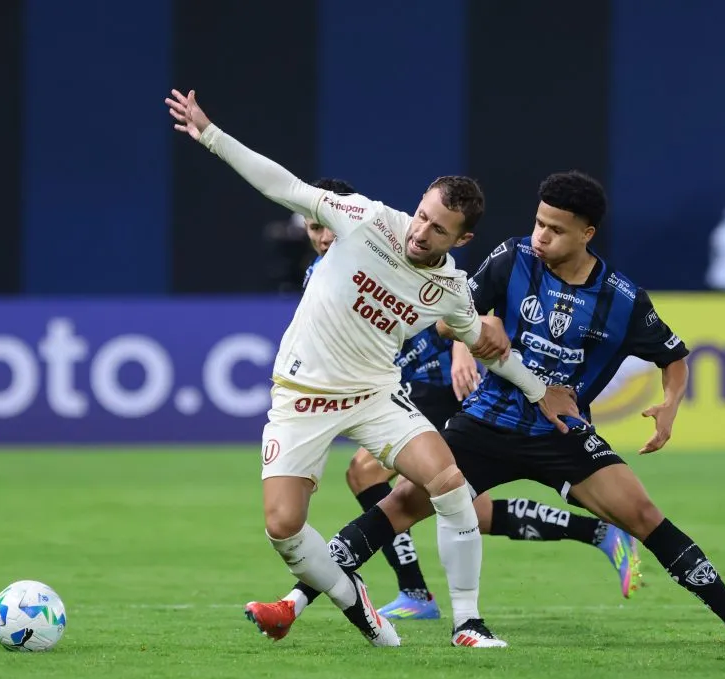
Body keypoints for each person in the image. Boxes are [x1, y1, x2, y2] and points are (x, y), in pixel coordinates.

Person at [259, 170, 725, 649]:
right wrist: (468, 346)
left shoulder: (623, 298)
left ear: (587, 233)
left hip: (561, 432)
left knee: (644, 515)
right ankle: (294, 602)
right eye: (539, 223)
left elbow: (674, 357)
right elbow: (454, 313)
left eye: (556, 230)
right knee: (399, 504)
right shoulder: (512, 257)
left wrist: (671, 406)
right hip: (487, 422)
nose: (541, 237)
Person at [165, 89, 581, 648]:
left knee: (449, 482)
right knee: (282, 526)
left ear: (462, 239)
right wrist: (210, 134)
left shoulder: (451, 290)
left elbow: (489, 346)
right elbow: (282, 185)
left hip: (373, 395)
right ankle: (353, 602)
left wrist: (539, 391)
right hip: (301, 395)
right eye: (423, 215)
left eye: (438, 230)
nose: (420, 232)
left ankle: (467, 623)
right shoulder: (368, 220)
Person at [254, 179, 641, 635]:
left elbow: (474, 317)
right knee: (458, 505)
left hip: (443, 386)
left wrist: (469, 341)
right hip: (393, 385)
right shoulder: (328, 267)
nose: (322, 236)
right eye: (312, 227)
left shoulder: (382, 240)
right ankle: (592, 534)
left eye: (325, 224)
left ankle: (415, 595)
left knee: (381, 475)